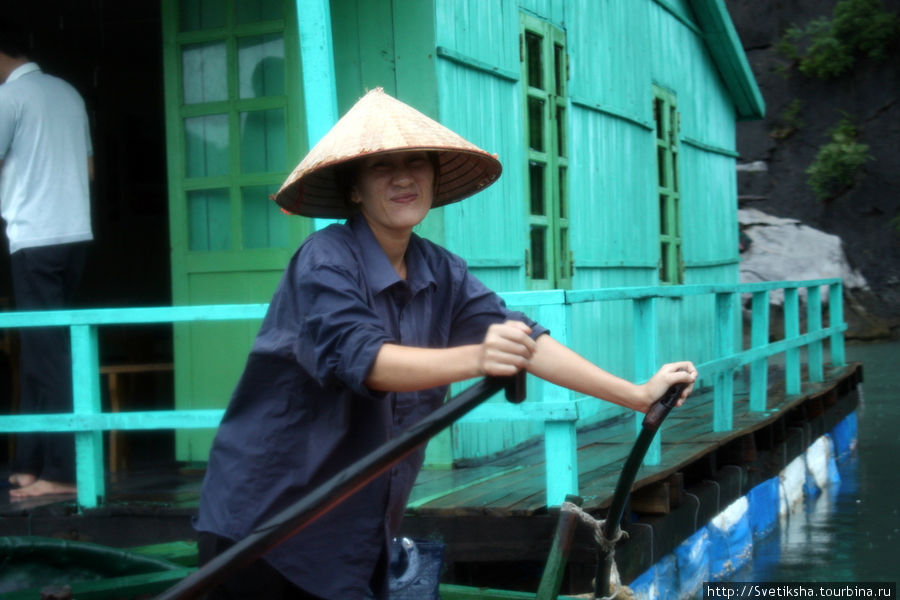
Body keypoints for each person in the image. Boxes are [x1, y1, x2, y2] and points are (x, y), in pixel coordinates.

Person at [195, 88, 697, 599]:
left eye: (415, 161)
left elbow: (523, 339)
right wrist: (479, 357)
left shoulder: (440, 269)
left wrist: (634, 395)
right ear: (354, 190)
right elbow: (366, 359)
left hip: (357, 529)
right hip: (268, 528)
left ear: (434, 175)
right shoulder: (324, 261)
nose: (403, 176)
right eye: (381, 166)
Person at [0, 24, 94, 499]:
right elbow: (90, 168)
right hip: (74, 233)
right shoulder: (67, 93)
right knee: (43, 351)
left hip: (35, 237)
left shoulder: (10, 99)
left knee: (48, 356)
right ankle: (27, 464)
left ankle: (60, 472)